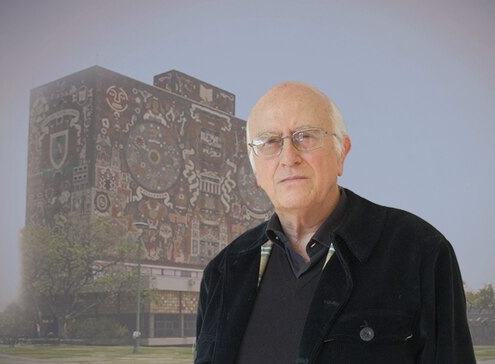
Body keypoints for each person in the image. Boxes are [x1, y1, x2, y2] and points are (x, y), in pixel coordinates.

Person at [194, 82, 475, 363]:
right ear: (255, 169)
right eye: (270, 142)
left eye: (305, 137)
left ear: (342, 152)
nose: (288, 157)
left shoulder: (420, 252)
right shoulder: (223, 272)